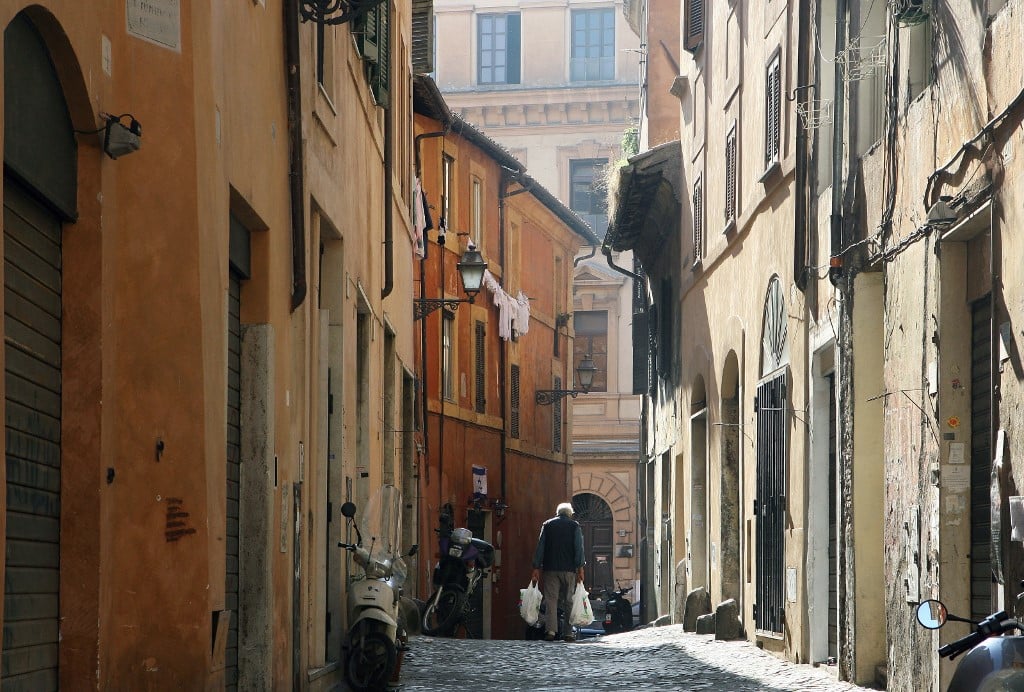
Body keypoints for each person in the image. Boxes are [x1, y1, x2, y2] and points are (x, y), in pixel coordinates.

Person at [531, 502, 585, 642]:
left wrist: (536, 567)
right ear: (570, 514)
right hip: (569, 570)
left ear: (557, 513)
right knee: (568, 601)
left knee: (551, 600)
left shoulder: (547, 525)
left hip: (550, 569)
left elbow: (540, 547)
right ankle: (568, 633)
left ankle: (551, 631)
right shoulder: (575, 526)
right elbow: (579, 549)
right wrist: (580, 568)